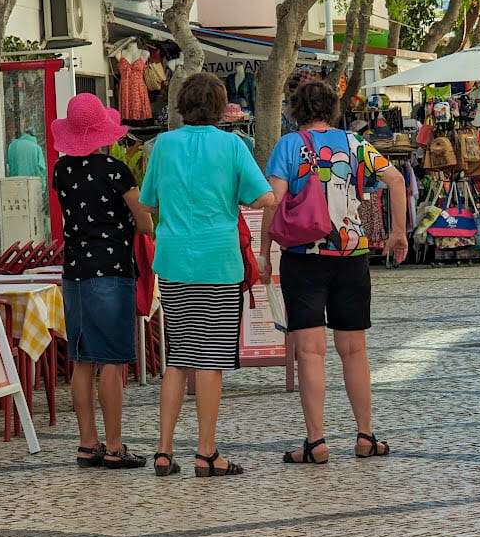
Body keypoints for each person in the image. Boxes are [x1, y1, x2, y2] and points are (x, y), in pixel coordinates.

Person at [260, 81, 408, 465]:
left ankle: (316, 442)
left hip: (302, 255)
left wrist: (264, 251)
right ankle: (365, 435)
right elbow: (394, 179)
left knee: (310, 352)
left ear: (296, 109)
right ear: (333, 108)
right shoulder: (356, 145)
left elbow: (273, 203)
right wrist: (397, 233)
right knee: (354, 350)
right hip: (350, 253)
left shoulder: (289, 146)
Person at [139, 73, 274, 478]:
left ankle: (163, 451)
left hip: (175, 261)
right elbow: (263, 196)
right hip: (219, 262)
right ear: (219, 108)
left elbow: (148, 202)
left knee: (177, 359)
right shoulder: (233, 145)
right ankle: (206, 452)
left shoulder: (163, 145)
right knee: (210, 361)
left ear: (181, 104)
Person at [51, 94, 153, 470]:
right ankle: (113, 445)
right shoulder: (115, 171)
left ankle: (86, 443)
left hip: (74, 272)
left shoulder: (61, 171)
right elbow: (143, 221)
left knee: (82, 360)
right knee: (111, 362)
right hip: (110, 272)